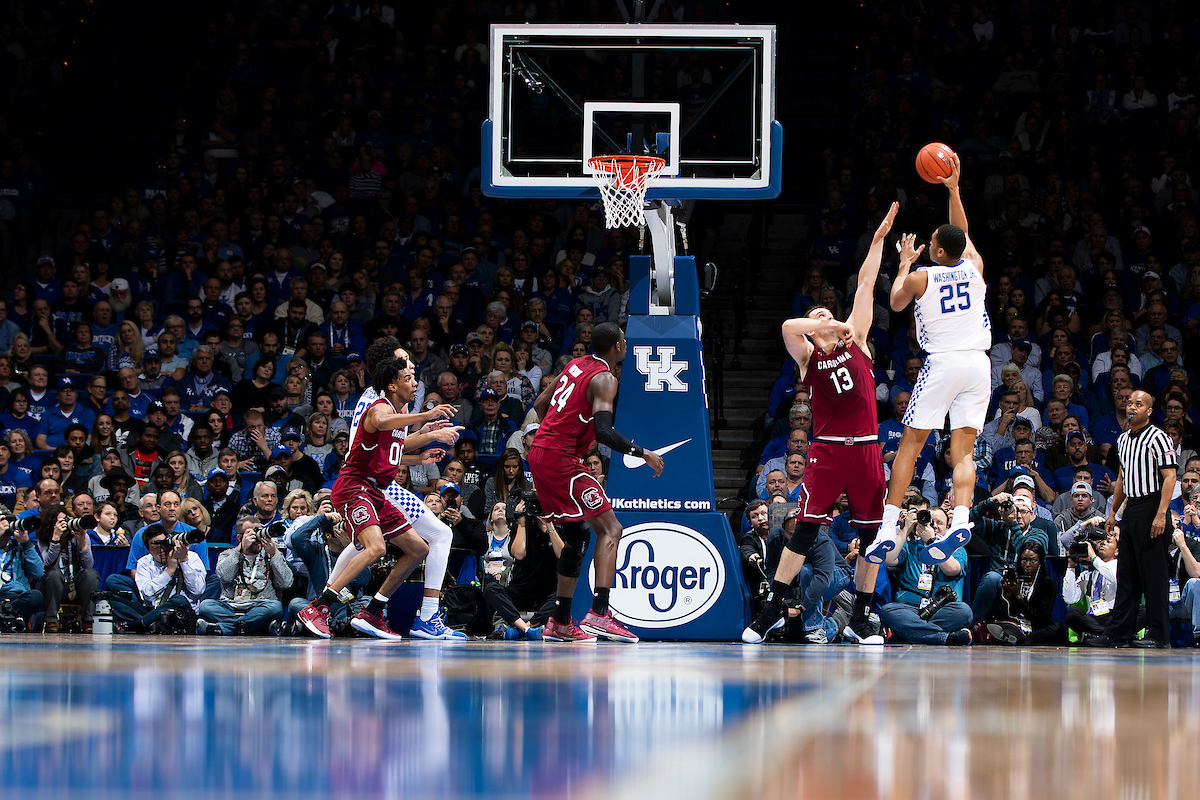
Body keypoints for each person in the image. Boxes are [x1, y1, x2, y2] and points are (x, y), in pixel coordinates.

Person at [743, 202, 897, 646]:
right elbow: (787, 327)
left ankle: (863, 617)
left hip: (866, 448)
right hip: (828, 449)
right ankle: (772, 607)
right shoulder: (808, 356)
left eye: (828, 312)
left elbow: (867, 282)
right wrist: (820, 327)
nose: (828, 316)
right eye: (819, 316)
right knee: (805, 528)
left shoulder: (860, 341)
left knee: (871, 534)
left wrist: (880, 237)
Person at [868, 154, 993, 566]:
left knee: (912, 443)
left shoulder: (924, 275)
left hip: (943, 364)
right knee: (963, 451)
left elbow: (895, 299)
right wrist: (953, 189)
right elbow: (964, 233)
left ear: (936, 250)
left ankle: (888, 522)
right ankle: (960, 517)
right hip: (979, 365)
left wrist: (904, 263)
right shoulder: (975, 267)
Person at [297, 353, 457, 640]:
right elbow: (382, 422)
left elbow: (398, 443)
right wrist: (427, 415)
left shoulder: (395, 417)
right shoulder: (378, 407)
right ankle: (318, 608)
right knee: (375, 548)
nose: (414, 382)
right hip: (354, 486)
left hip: (377, 491)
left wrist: (428, 441)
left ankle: (372, 611)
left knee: (418, 549)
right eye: (407, 378)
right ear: (392, 385)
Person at [529, 321, 665, 644]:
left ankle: (560, 621)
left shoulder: (574, 365)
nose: (626, 344)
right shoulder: (605, 378)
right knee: (611, 529)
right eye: (625, 340)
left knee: (576, 535)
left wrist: (566, 432)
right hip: (560, 458)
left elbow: (538, 405)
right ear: (618, 346)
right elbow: (604, 432)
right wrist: (642, 452)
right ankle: (600, 614)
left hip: (540, 454)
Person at [1090, 390, 1178, 648]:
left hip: (1153, 505)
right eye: (1130, 403)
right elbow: (1122, 478)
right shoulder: (1124, 439)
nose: (1133, 407)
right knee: (1128, 575)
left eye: (1139, 404)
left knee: (1154, 575)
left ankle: (1159, 635)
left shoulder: (1159, 437)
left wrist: (1162, 513)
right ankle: (1119, 632)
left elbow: (1170, 477)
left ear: (1149, 411)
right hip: (1131, 508)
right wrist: (1112, 513)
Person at [877, 505, 973, 645]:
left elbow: (952, 569)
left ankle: (907, 633)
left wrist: (931, 542)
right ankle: (945, 638)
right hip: (910, 609)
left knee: (964, 612)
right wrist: (905, 529)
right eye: (930, 521)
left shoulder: (956, 548)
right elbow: (889, 559)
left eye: (939, 523)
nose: (934, 526)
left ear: (947, 527)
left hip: (942, 610)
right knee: (888, 610)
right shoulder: (911, 546)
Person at [197, 516, 293, 635]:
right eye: (252, 533)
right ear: (239, 537)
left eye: (259, 532)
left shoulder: (270, 555)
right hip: (230, 606)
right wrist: (240, 549)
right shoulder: (227, 554)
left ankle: (225, 628)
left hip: (261, 605)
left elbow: (286, 583)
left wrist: (274, 554)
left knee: (276, 606)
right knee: (205, 605)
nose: (257, 537)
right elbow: (225, 577)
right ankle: (255, 627)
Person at [107, 524, 206, 633]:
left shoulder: (191, 557)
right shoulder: (144, 562)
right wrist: (170, 570)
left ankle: (140, 623)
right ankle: (153, 621)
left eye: (163, 544)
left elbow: (198, 591)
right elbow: (147, 595)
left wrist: (183, 560)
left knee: (179, 599)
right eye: (155, 547)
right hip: (153, 609)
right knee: (114, 599)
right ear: (148, 550)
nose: (161, 550)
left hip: (182, 612)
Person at [36, 506, 100, 632]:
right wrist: (56, 539)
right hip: (52, 587)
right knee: (53, 574)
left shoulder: (78, 535)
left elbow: (88, 565)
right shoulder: (44, 539)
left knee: (91, 574)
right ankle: (51, 621)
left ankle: (88, 621)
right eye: (61, 522)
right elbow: (48, 566)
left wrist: (82, 542)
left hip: (75, 586)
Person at [1061, 531, 1119, 641]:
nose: (1102, 544)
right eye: (1100, 542)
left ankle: (1098, 635)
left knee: (1143, 611)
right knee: (1072, 613)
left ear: (1117, 551)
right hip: (1094, 618)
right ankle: (1107, 635)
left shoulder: (1120, 566)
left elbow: (1115, 578)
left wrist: (1094, 559)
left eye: (1108, 542)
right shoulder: (1089, 574)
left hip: (1114, 616)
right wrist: (1071, 567)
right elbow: (1069, 598)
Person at [0, 517, 43, 627]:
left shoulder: (20, 546)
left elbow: (38, 572)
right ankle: (11, 617)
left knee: (35, 596)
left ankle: (5, 613)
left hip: (16, 597)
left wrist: (26, 543)